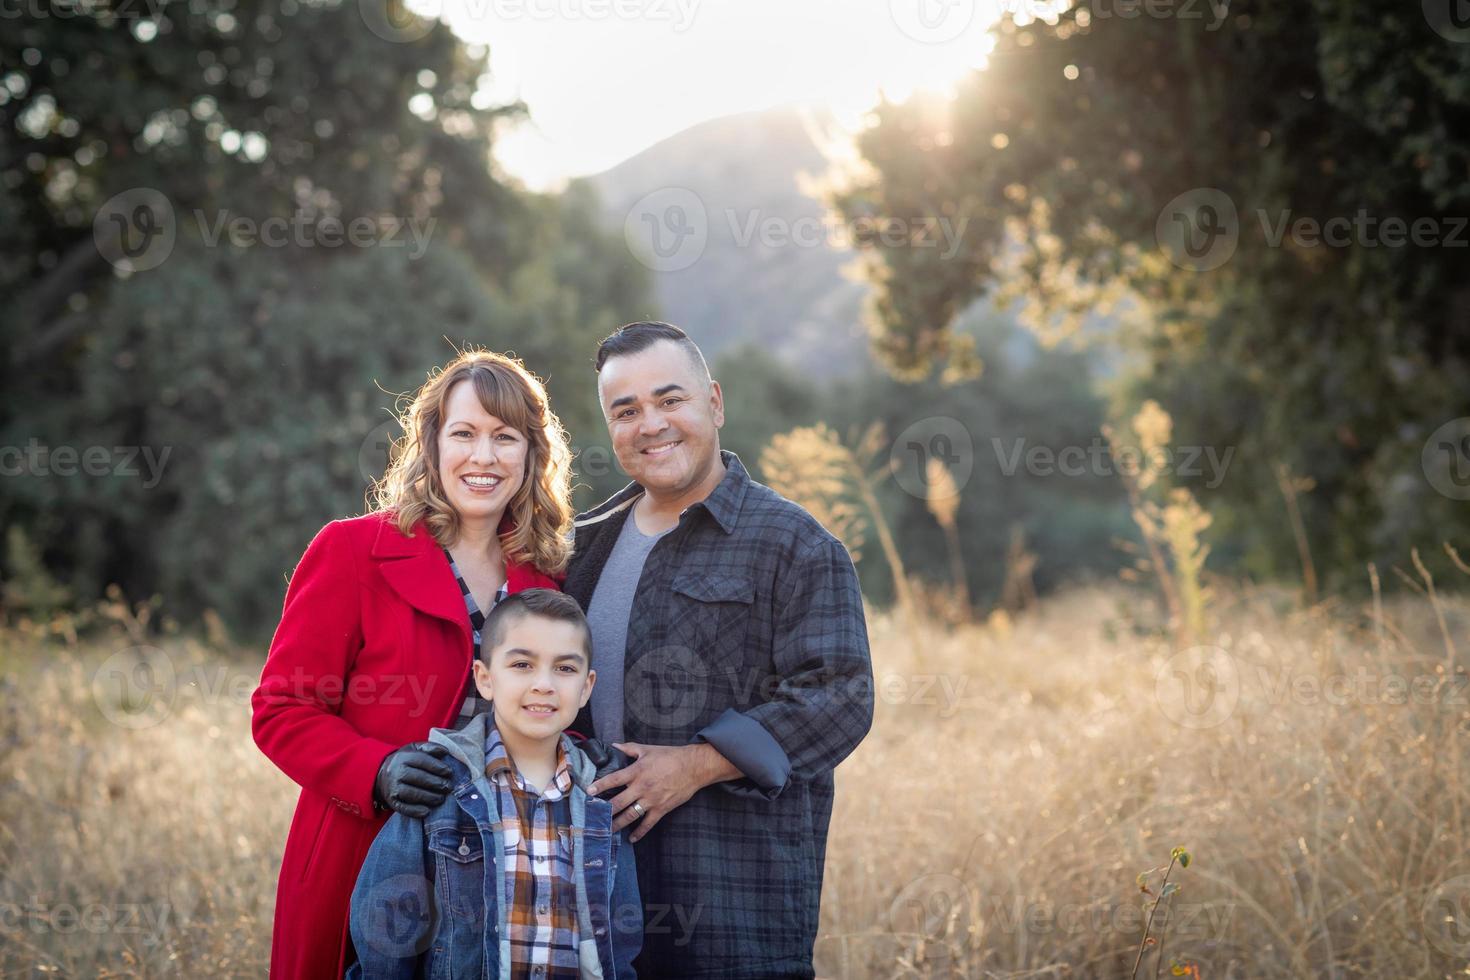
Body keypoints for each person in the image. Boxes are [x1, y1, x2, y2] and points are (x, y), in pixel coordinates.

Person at [251, 350, 575, 980]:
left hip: (502, 874)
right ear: (430, 444)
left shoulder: (550, 579)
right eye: (464, 434)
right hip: (359, 854)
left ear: (532, 455)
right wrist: (375, 769)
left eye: (505, 438)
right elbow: (281, 710)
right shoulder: (349, 552)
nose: (484, 457)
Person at [565, 321, 875, 979]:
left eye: (669, 399)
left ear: (715, 403)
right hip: (594, 904)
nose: (650, 424)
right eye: (626, 411)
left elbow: (839, 697)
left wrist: (699, 764)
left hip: (734, 908)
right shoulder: (580, 546)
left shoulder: (795, 545)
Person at [348, 588, 642, 979]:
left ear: (586, 687)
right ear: (484, 679)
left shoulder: (601, 799)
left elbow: (621, 942)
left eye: (565, 669)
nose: (544, 684)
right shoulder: (442, 787)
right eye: (522, 665)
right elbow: (386, 934)